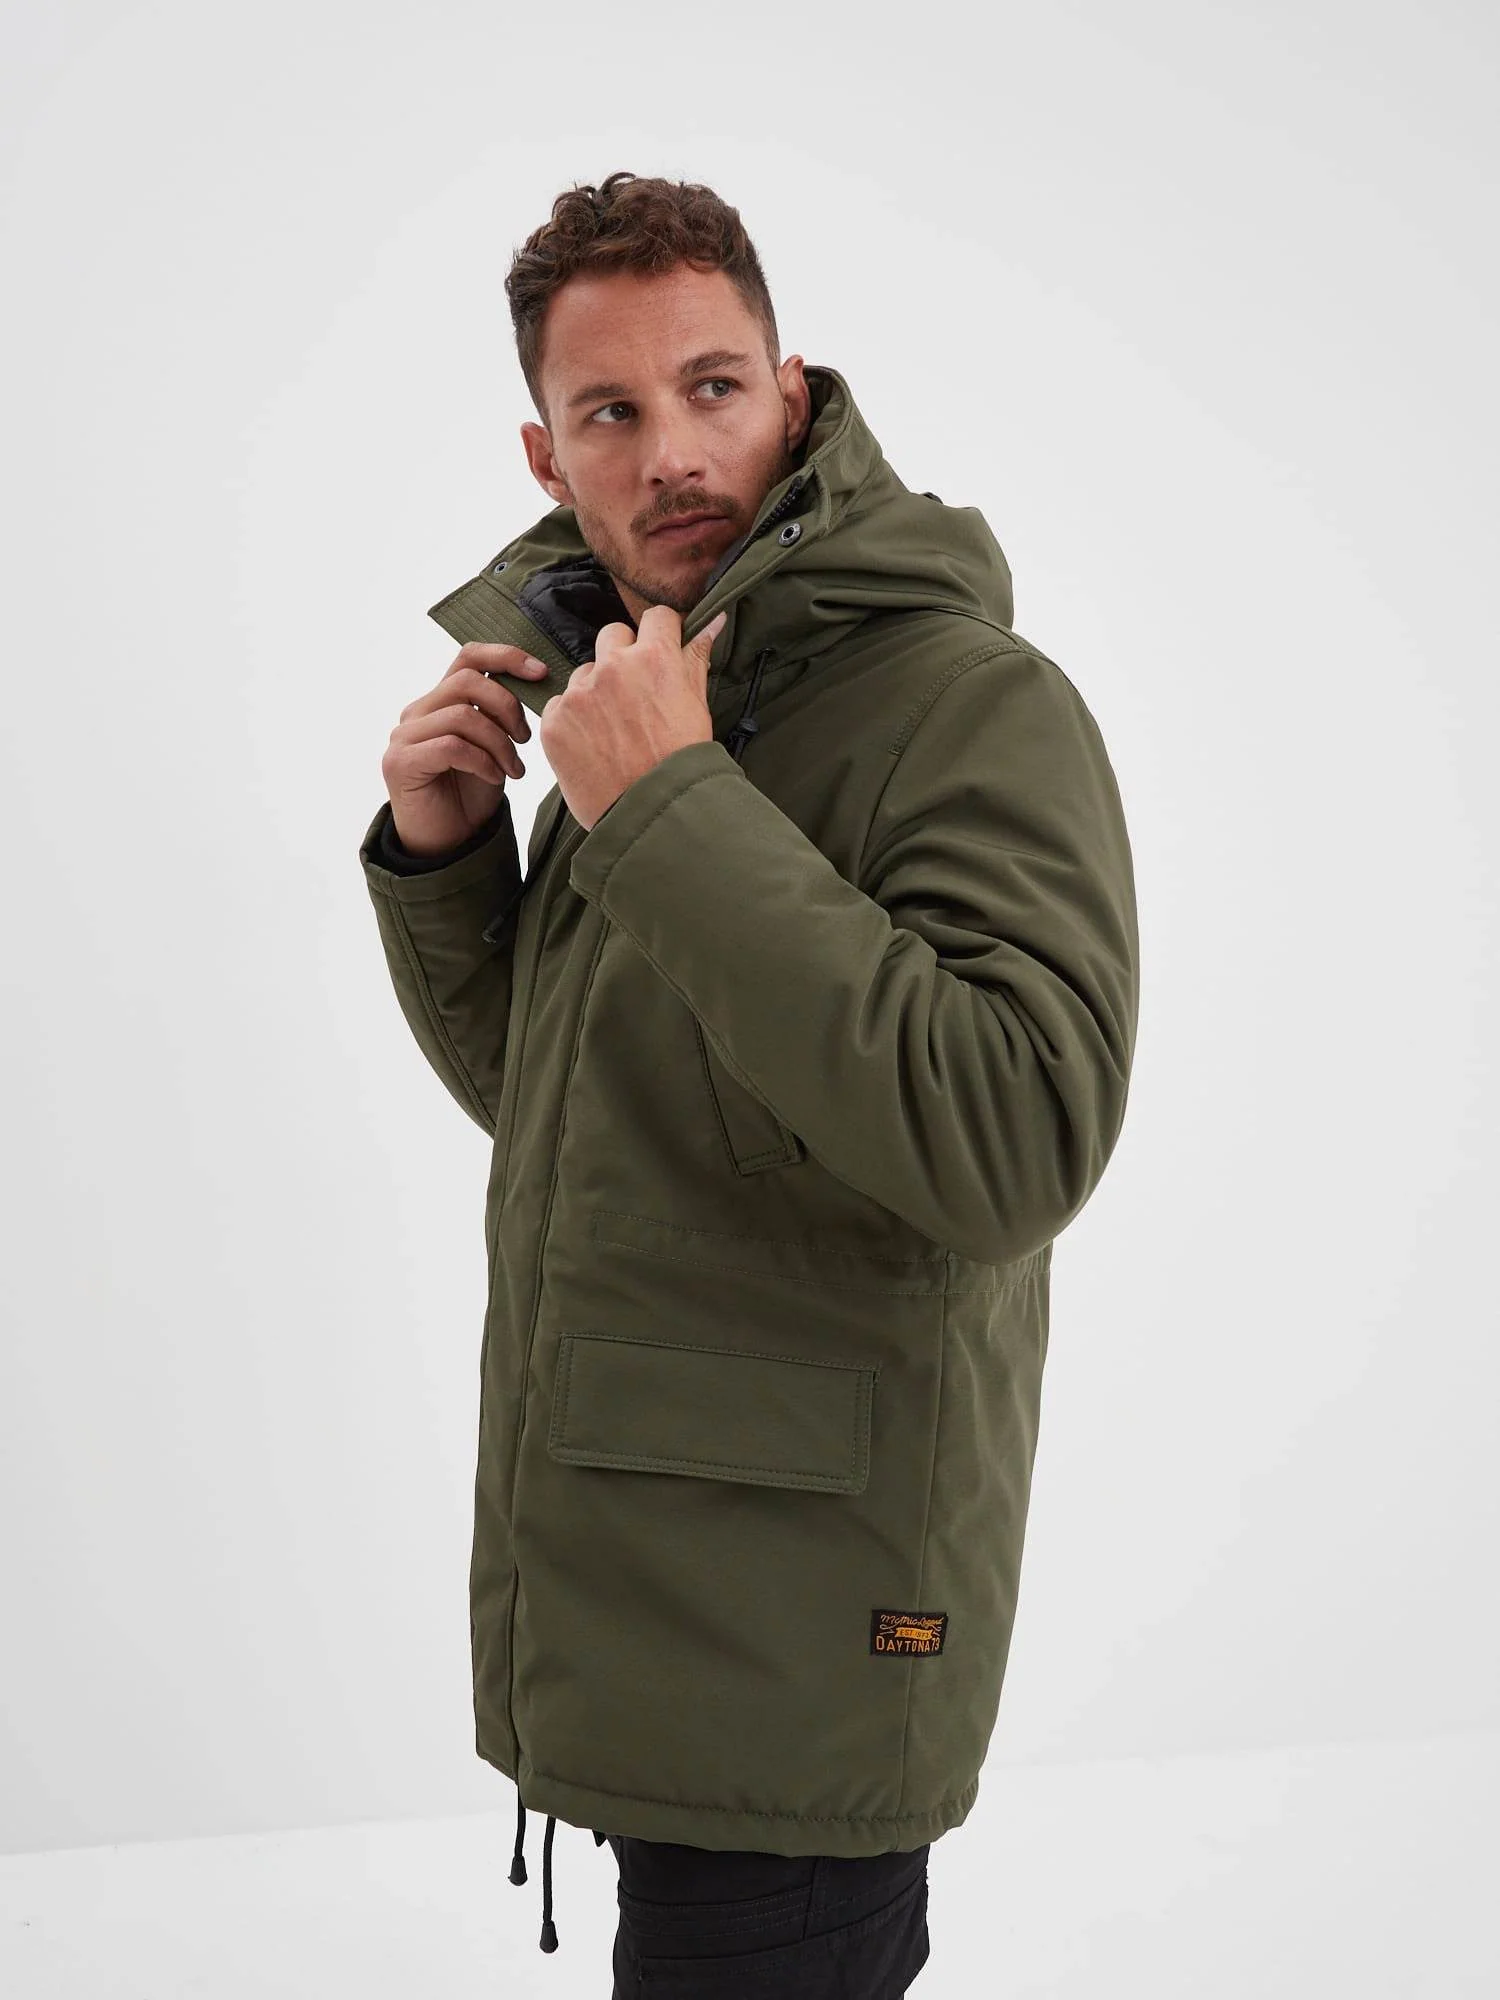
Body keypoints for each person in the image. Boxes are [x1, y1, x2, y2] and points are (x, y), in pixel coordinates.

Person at [357, 170, 1140, 1998]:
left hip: (807, 1621)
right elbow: (594, 1129)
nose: (674, 455)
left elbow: (1015, 1138)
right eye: (610, 411)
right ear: (546, 456)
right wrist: (448, 862)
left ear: (792, 393)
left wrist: (668, 804)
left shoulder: (968, 701)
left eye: (712, 387)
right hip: (652, 1592)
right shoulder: (642, 689)